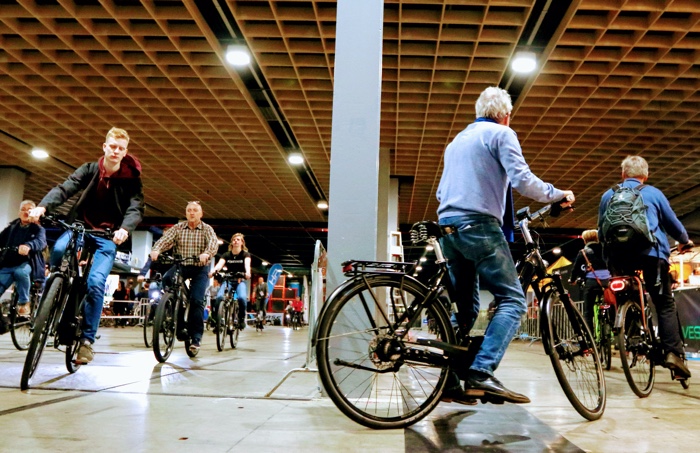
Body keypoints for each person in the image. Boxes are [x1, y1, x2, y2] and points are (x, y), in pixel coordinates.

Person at [436, 86, 574, 405]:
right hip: (480, 226)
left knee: (467, 309)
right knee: (512, 299)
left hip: (449, 227)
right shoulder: (501, 134)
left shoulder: (457, 141)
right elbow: (522, 180)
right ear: (506, 115)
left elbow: (442, 192)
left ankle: (450, 380)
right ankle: (481, 372)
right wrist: (557, 194)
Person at [29, 127, 144, 364]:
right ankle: (55, 291)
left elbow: (136, 207)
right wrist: (43, 206)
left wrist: (125, 229)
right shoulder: (91, 169)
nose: (116, 151)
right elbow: (66, 187)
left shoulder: (131, 179)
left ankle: (87, 341)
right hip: (80, 226)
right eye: (112, 146)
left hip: (108, 235)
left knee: (95, 283)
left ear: (125, 152)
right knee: (59, 250)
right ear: (105, 147)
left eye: (121, 148)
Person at [598, 155, 694, 378]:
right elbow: (673, 224)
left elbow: (602, 230)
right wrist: (684, 240)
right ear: (645, 175)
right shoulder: (653, 193)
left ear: (622, 174)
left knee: (625, 295)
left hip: (618, 258)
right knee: (664, 303)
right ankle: (673, 354)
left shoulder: (608, 195)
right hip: (652, 254)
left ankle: (630, 335)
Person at [149, 201, 218, 354]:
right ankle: (175, 306)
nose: (191, 213)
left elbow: (213, 243)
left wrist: (206, 253)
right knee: (167, 279)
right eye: (189, 210)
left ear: (201, 214)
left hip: (200, 268)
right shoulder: (178, 228)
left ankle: (196, 338)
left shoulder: (207, 229)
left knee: (197, 300)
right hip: (182, 265)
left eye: (195, 210)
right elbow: (165, 241)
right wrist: (156, 250)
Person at [0, 200, 47, 334]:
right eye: (23, 209)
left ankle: (23, 302)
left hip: (26, 263)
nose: (26, 212)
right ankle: (2, 325)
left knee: (21, 273)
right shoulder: (12, 228)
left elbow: (41, 242)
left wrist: (29, 246)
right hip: (7, 264)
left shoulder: (38, 229)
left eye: (29, 210)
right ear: (19, 212)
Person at [569, 230, 610, 331]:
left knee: (588, 312)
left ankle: (589, 337)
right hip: (608, 282)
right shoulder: (606, 249)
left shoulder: (583, 252)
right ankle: (615, 328)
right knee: (612, 305)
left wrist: (572, 280)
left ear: (585, 240)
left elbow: (576, 269)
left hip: (592, 282)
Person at [210, 233, 251, 329]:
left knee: (241, 298)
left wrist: (247, 273)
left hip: (239, 280)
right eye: (234, 240)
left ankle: (241, 319)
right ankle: (216, 320)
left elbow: (247, 265)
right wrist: (213, 271)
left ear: (242, 243)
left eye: (238, 239)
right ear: (231, 242)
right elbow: (219, 265)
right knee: (219, 297)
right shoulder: (226, 255)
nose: (236, 241)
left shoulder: (245, 255)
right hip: (228, 280)